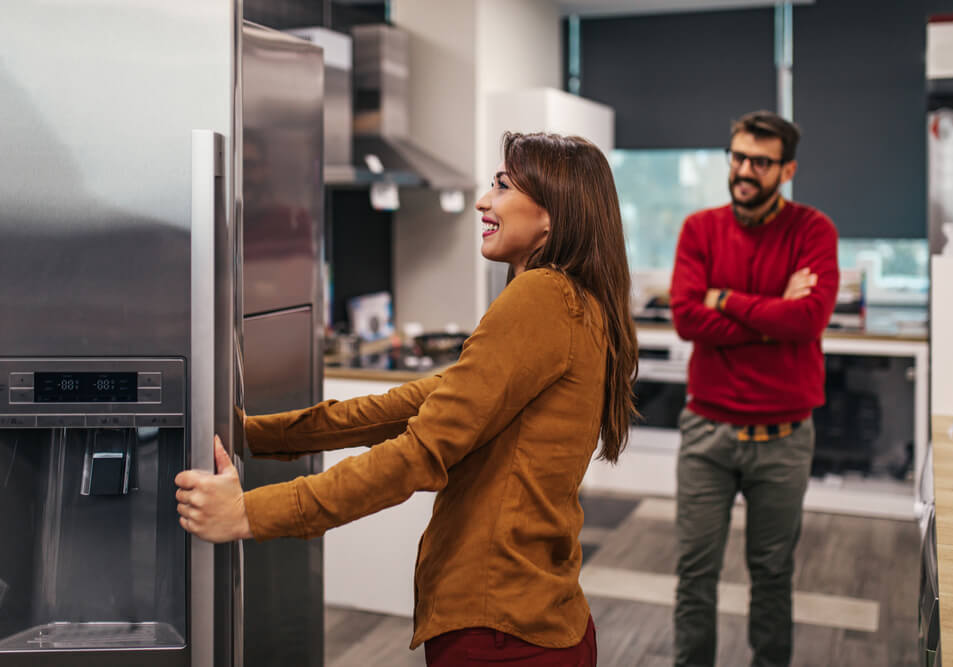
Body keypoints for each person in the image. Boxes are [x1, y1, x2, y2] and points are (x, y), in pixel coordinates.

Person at [175, 131, 639, 666]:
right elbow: (408, 405)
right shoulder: (576, 303)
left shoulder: (541, 299)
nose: (483, 200)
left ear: (553, 214)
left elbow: (419, 453)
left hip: (501, 636)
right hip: (537, 618)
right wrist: (249, 434)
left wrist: (251, 514)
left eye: (504, 186)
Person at [668, 110, 839, 667]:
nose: (744, 170)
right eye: (738, 157)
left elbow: (808, 320)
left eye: (760, 162)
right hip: (707, 433)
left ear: (786, 169)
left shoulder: (813, 230)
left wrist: (726, 298)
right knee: (695, 575)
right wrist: (772, 312)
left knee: (772, 576)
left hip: (785, 438)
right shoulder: (699, 229)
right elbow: (687, 319)